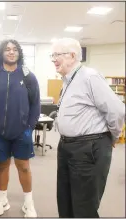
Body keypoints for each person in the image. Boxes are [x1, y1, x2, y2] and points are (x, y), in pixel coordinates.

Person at [51, 38, 125, 218]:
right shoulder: (68, 79)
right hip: (67, 146)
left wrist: (112, 137)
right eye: (52, 55)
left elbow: (117, 110)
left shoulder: (89, 76)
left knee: (83, 207)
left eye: (57, 55)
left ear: (72, 56)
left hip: (88, 148)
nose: (53, 59)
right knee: (65, 201)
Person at [0, 39, 41, 217]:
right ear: (1, 53)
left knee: (23, 166)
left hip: (21, 131)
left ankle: (28, 204)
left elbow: (35, 104)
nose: (11, 52)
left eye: (15, 49)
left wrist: (29, 127)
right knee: (3, 165)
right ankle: (2, 200)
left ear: (19, 53)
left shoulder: (27, 76)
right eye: (7, 49)